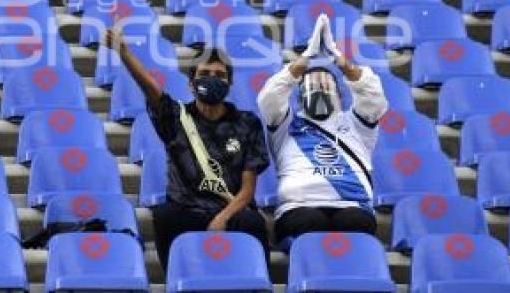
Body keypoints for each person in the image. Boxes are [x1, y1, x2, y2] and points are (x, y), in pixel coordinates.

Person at [102, 28, 270, 271]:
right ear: (191, 83)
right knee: (164, 216)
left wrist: (221, 219)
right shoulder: (176, 118)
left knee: (253, 222)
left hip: (231, 209)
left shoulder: (247, 122)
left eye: (219, 75)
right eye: (204, 73)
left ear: (230, 83)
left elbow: (248, 190)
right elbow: (151, 89)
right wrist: (124, 52)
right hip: (187, 208)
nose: (212, 79)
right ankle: (178, 280)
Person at [257, 14, 388, 245]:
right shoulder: (287, 124)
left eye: (325, 84)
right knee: (310, 221)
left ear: (339, 94)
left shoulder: (355, 123)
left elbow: (373, 97)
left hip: (352, 205)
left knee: (354, 222)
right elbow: (269, 97)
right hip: (298, 207)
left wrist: (340, 59)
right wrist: (306, 57)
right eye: (312, 84)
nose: (318, 89)